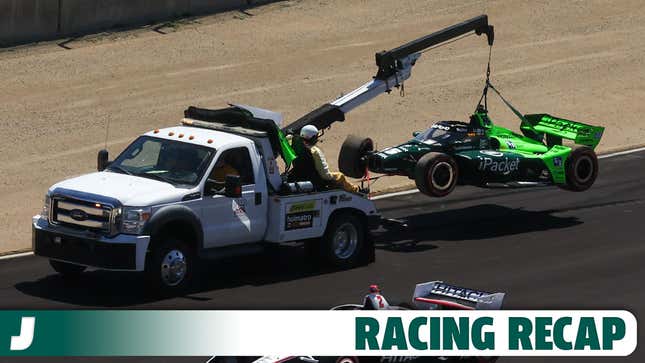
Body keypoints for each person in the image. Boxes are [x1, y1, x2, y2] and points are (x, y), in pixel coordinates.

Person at [290, 125, 361, 193]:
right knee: (340, 176)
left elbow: (289, 137)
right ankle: (356, 190)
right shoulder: (315, 152)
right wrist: (333, 178)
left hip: (300, 175)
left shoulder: (295, 146)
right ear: (314, 138)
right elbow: (325, 175)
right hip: (315, 180)